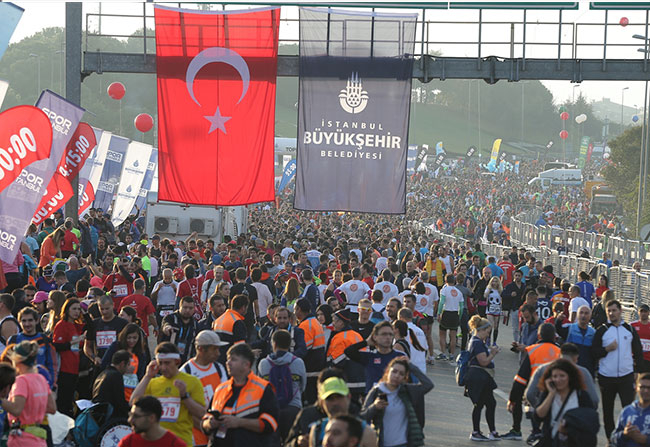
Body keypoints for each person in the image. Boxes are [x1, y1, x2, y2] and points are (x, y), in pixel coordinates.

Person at [201, 343, 279, 447]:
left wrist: (239, 422)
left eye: (233, 359)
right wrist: (210, 423)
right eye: (228, 359)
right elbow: (205, 421)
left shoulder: (263, 389)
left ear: (246, 364)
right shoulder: (221, 389)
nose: (228, 363)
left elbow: (270, 424)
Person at [130, 342, 206, 447]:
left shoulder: (192, 382)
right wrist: (147, 376)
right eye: (160, 363)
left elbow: (202, 413)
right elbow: (133, 401)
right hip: (155, 442)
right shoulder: (153, 382)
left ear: (177, 362)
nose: (163, 367)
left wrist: (185, 396)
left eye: (167, 363)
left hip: (181, 441)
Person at [592, 299, 644, 439]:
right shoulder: (601, 330)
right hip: (606, 377)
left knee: (628, 409)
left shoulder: (629, 329)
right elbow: (594, 352)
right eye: (609, 311)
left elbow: (638, 351)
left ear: (620, 311)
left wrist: (638, 371)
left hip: (626, 377)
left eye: (614, 310)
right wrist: (606, 349)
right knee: (608, 411)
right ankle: (611, 438)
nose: (611, 313)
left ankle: (627, 437)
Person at [504, 323, 561, 441]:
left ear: (539, 336)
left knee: (528, 401)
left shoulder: (531, 350)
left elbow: (520, 379)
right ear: (554, 337)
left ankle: (531, 431)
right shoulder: (560, 352)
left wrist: (512, 399)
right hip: (556, 393)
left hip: (536, 392)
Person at [361, 357, 433, 447]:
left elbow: (428, 385)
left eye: (401, 374)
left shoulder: (407, 391)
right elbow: (362, 417)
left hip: (403, 443)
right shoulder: (377, 391)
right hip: (381, 443)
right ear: (388, 371)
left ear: (404, 377)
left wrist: (411, 366)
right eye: (394, 371)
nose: (397, 376)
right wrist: (374, 407)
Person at [1, 341, 56, 447]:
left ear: (17, 360)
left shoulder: (21, 381)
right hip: (39, 439)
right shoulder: (41, 379)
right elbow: (52, 408)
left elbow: (16, 409)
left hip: (21, 439)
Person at [180, 330, 228, 447]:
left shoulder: (219, 368)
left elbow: (226, 398)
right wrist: (206, 429)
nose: (218, 353)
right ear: (201, 349)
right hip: (195, 437)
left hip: (217, 432)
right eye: (214, 349)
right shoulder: (186, 372)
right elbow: (185, 410)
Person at [533, 358, 596, 446]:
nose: (558, 380)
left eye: (562, 376)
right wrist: (551, 394)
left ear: (570, 377)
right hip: (552, 442)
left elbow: (589, 420)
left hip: (574, 442)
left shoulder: (581, 395)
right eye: (555, 376)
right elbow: (538, 416)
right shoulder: (548, 394)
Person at [258, 329, 306, 441]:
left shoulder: (263, 364)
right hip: (293, 407)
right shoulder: (298, 362)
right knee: (292, 441)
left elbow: (260, 387)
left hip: (271, 409)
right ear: (290, 344)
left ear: (273, 344)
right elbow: (302, 386)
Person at [307, 376, 377, 447]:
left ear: (348, 397)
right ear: (322, 402)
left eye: (339, 397)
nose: (335, 403)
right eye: (330, 399)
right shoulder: (317, 430)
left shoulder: (366, 432)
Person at [464, 315, 500, 441]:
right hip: (479, 377)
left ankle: (490, 431)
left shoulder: (475, 341)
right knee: (481, 404)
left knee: (488, 403)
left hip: (480, 378)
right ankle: (478, 432)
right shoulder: (477, 342)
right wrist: (493, 354)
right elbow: (483, 361)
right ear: (482, 330)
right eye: (487, 332)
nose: (488, 335)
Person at [344, 321, 404, 392]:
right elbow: (348, 351)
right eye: (384, 334)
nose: (388, 337)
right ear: (375, 337)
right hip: (373, 399)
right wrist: (366, 342)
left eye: (391, 334)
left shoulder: (399, 356)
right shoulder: (370, 357)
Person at [101, 323, 150, 402]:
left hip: (132, 391)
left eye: (135, 338)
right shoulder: (116, 346)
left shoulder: (141, 353)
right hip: (115, 389)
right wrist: (121, 369)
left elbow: (142, 373)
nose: (131, 341)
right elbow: (104, 364)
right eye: (129, 338)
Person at [52, 298, 85, 417]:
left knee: (70, 401)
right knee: (63, 403)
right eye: (74, 309)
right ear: (67, 310)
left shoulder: (76, 325)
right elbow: (56, 346)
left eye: (78, 309)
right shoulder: (62, 325)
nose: (77, 312)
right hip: (64, 370)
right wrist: (74, 341)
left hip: (75, 369)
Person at [7, 307, 54, 385]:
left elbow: (52, 364)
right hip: (19, 384)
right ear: (19, 322)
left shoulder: (45, 340)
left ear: (36, 321)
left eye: (30, 320)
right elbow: (8, 364)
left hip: (41, 383)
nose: (27, 324)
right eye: (24, 321)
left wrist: (52, 385)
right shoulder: (13, 340)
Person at [119, 396, 187, 447]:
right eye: (130, 415)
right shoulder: (128, 442)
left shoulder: (175, 444)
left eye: (136, 416)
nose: (130, 420)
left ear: (152, 418)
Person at [294, 298, 326, 405]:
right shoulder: (314, 321)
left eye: (295, 309)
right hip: (318, 366)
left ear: (299, 309)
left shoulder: (305, 326)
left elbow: (304, 348)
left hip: (310, 369)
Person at [84, 295, 128, 368]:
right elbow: (87, 346)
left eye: (107, 309)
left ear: (113, 305)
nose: (104, 312)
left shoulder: (122, 323)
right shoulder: (94, 324)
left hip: (118, 365)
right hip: (99, 364)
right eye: (102, 309)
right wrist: (94, 357)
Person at [555, 305, 596, 376]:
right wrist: (558, 320)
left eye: (586, 313)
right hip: (570, 370)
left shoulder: (593, 333)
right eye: (581, 313)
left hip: (587, 371)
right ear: (577, 315)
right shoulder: (569, 329)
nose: (583, 315)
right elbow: (558, 330)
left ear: (590, 316)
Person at [611, 372, 650, 447]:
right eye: (642, 387)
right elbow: (613, 438)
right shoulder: (627, 411)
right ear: (636, 388)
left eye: (649, 388)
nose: (646, 391)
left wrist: (646, 440)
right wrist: (624, 434)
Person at [92, 349, 133, 419]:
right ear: (122, 364)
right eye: (128, 364)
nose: (130, 368)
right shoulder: (116, 375)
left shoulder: (103, 373)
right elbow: (120, 402)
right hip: (108, 416)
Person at [161, 296, 200, 363]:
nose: (187, 310)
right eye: (185, 307)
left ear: (194, 309)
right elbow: (165, 324)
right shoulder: (170, 318)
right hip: (168, 360)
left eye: (190, 308)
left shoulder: (195, 324)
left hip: (186, 362)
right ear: (180, 307)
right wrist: (167, 328)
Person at [213, 294, 249, 362]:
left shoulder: (218, 320)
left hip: (216, 358)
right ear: (243, 307)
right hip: (229, 360)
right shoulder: (237, 322)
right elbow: (240, 347)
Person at [437, 274, 463, 361]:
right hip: (455, 313)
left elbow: (441, 302)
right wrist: (460, 316)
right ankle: (451, 354)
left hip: (446, 313)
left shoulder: (444, 290)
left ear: (445, 281)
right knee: (453, 336)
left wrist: (439, 313)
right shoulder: (459, 292)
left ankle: (443, 353)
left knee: (442, 334)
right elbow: (461, 307)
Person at [483, 276, 503, 346]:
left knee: (496, 326)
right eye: (493, 281)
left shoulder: (500, 290)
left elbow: (502, 299)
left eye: (496, 281)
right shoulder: (489, 289)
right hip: (490, 309)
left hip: (497, 309)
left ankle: (494, 342)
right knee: (490, 325)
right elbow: (485, 296)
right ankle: (488, 340)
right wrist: (489, 289)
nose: (494, 283)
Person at [631, 304, 650, 373]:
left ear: (648, 313)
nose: (643, 313)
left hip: (648, 360)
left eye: (645, 311)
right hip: (635, 359)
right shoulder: (632, 325)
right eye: (641, 311)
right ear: (638, 312)